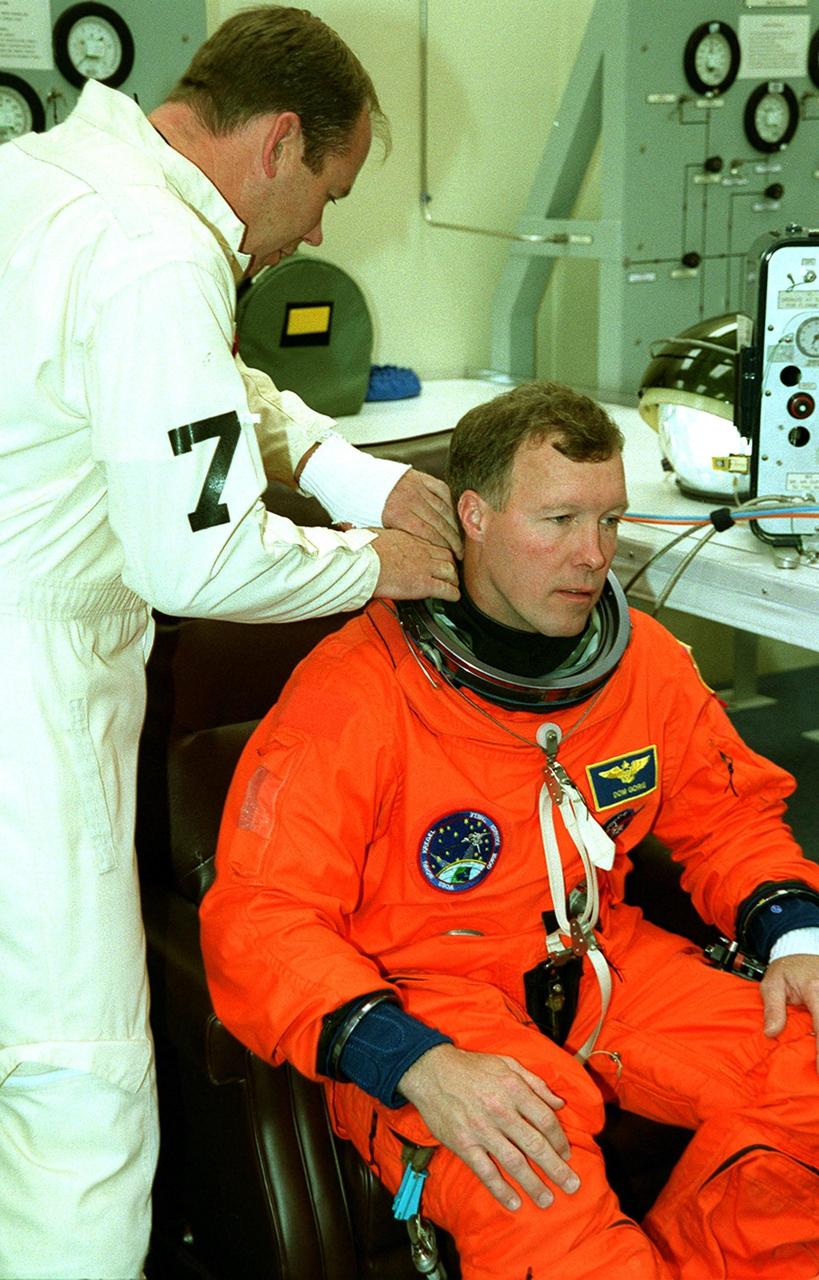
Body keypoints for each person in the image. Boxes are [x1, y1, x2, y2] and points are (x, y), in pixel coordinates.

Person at [0, 7, 461, 1278]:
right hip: (22, 701)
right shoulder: (157, 250)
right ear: (276, 142)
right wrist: (378, 563)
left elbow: (183, 383)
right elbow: (191, 554)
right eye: (330, 190)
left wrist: (341, 465)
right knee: (73, 1099)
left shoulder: (46, 175)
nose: (319, 232)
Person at [201, 380, 819, 1280]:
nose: (591, 557)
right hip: (427, 999)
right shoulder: (355, 692)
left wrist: (795, 934)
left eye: (608, 521)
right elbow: (259, 916)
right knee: (542, 1192)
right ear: (473, 515)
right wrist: (410, 1061)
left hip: (605, 968)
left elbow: (727, 816)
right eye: (558, 519)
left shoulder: (641, 663)